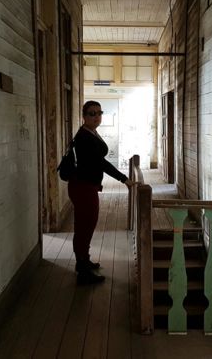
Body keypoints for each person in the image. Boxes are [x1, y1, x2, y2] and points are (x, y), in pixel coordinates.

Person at [69, 100, 134, 285]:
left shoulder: (91, 132)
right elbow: (101, 163)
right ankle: (83, 272)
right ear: (84, 116)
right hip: (82, 187)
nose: (97, 116)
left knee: (87, 225)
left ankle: (84, 261)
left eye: (99, 113)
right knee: (84, 227)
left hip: (87, 186)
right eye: (92, 113)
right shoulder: (84, 137)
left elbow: (98, 160)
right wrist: (124, 179)